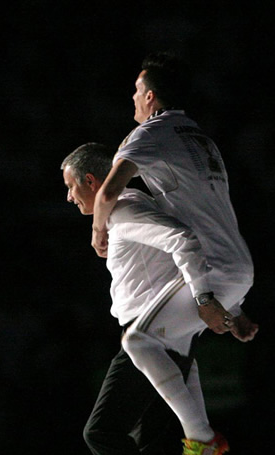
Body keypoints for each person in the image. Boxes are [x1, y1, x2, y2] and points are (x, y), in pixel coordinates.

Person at [61, 142, 257, 455]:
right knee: (144, 444)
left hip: (154, 338)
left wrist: (212, 303)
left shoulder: (124, 210)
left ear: (91, 181)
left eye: (70, 187)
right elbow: (183, 263)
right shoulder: (127, 210)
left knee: (101, 433)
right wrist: (233, 310)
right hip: (169, 335)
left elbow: (183, 242)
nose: (68, 197)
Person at [91, 51, 258, 344]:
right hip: (240, 271)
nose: (132, 97)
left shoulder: (149, 134)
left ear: (150, 97)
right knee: (167, 351)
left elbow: (107, 192)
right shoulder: (201, 138)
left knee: (140, 340)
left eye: (136, 91)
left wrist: (98, 230)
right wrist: (234, 310)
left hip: (208, 273)